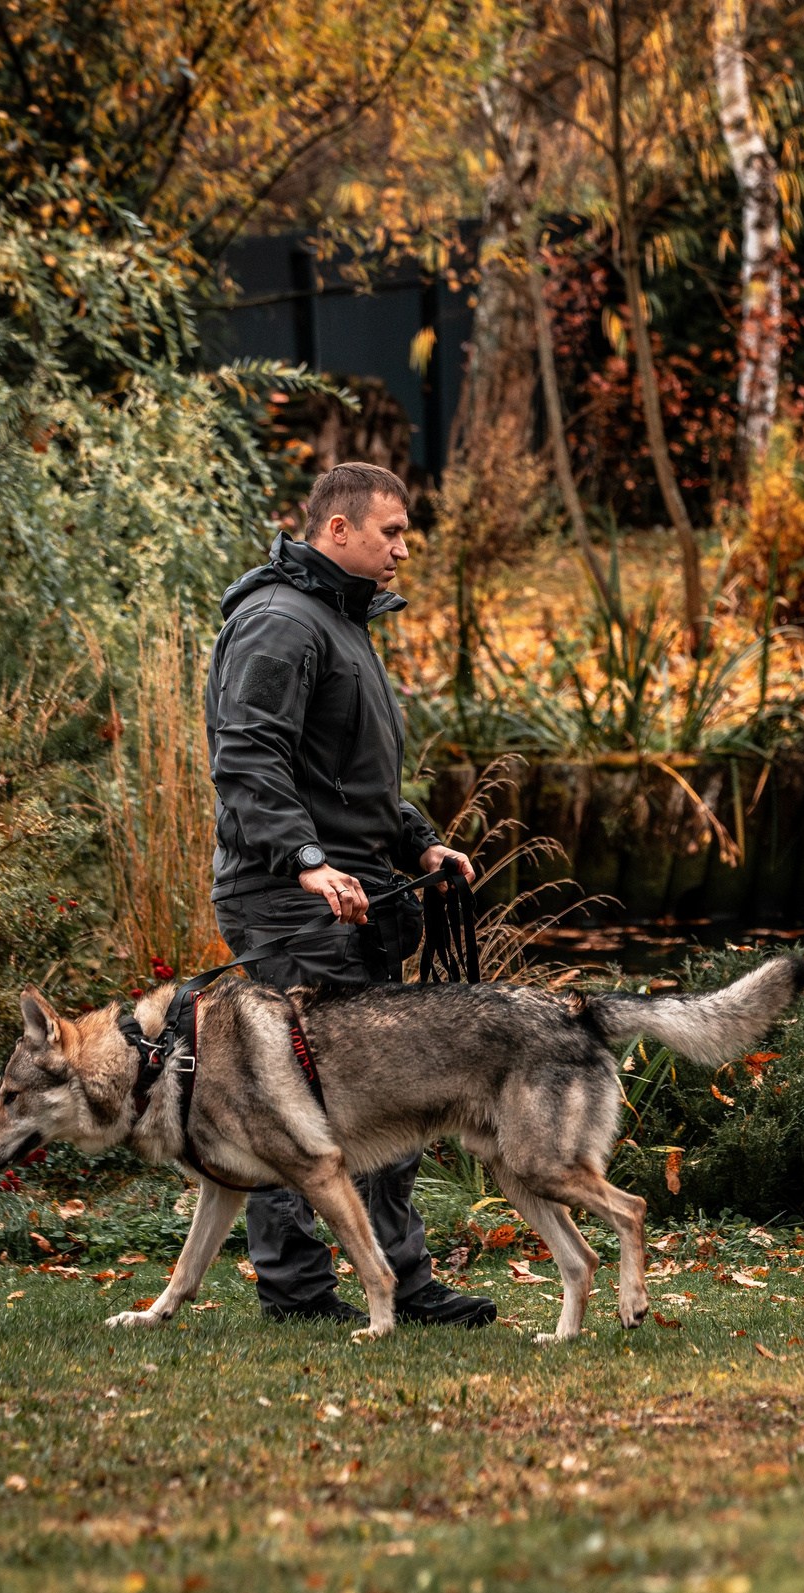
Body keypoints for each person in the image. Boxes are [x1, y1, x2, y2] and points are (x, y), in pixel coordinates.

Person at [203, 461, 496, 1327]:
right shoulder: (277, 624)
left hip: (348, 893)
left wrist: (418, 840)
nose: (404, 548)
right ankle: (297, 1292)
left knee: (379, 1095)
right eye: (392, 531)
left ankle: (400, 1283)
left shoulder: (337, 621)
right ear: (338, 530)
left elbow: (347, 777)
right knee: (298, 1100)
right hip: (289, 902)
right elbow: (247, 758)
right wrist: (303, 859)